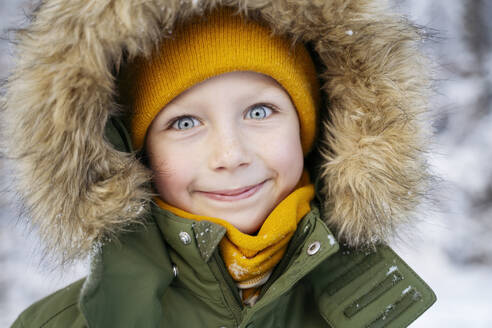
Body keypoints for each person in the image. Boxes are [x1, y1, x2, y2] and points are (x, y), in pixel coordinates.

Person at [4, 1, 436, 327]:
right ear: (132, 154)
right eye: (185, 122)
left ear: (318, 127)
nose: (230, 155)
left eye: (260, 112)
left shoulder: (371, 305)